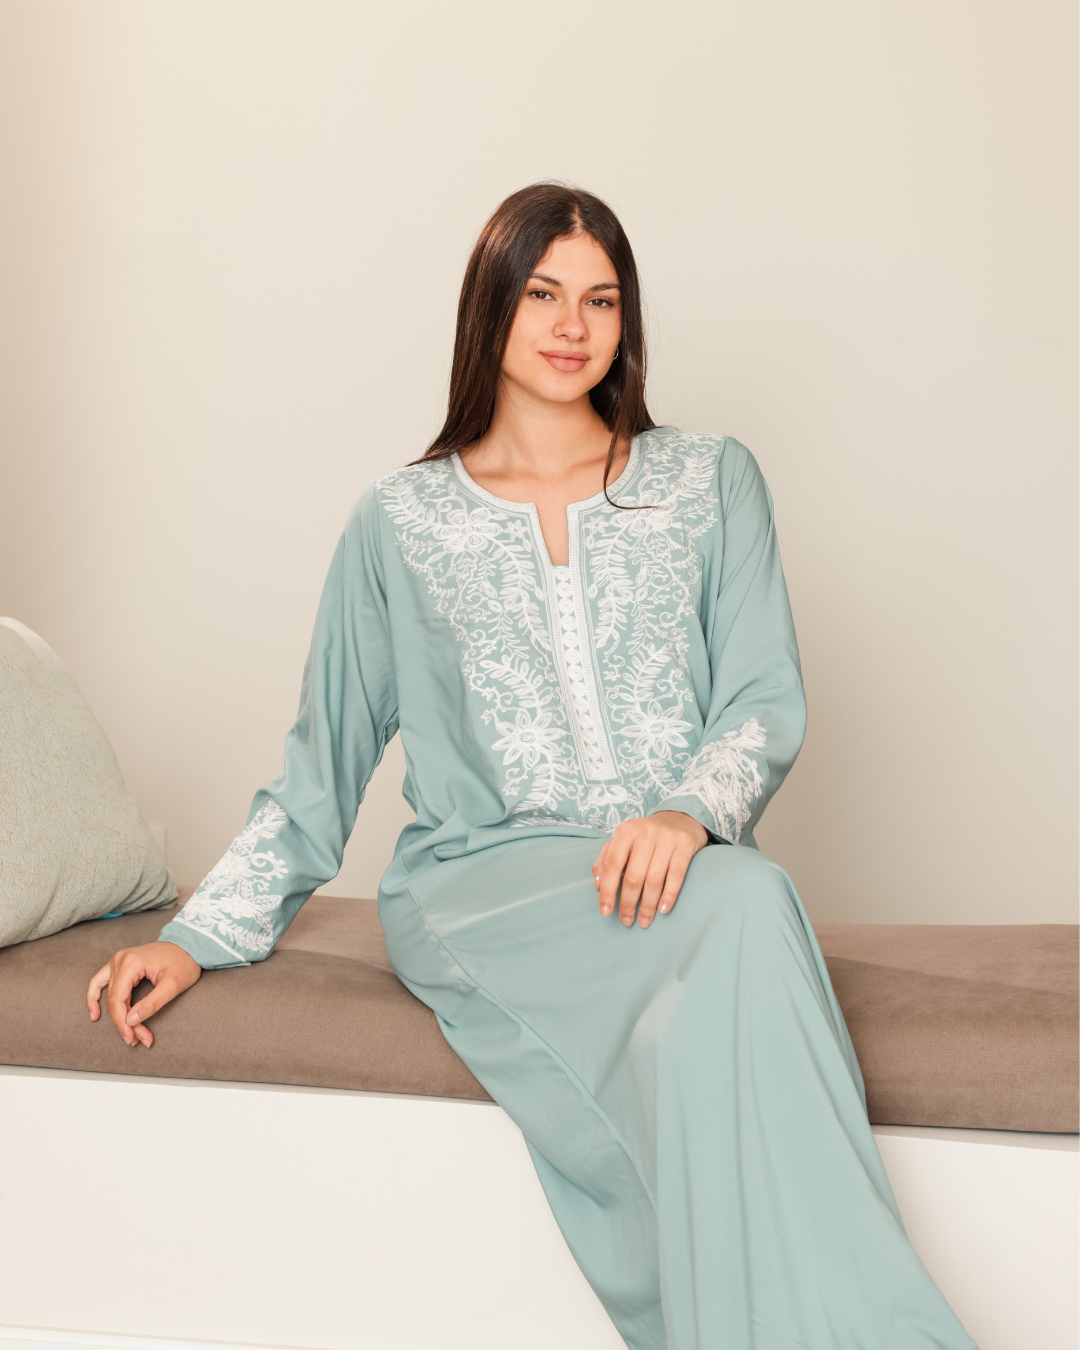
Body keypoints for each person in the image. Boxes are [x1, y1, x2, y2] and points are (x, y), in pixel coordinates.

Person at [87, 184, 977, 1350]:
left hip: (675, 875)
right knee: (750, 907)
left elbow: (763, 698)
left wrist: (687, 815)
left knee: (745, 912)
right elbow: (322, 765)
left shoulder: (711, 480)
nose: (572, 325)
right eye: (544, 294)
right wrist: (197, 934)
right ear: (491, 309)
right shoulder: (400, 522)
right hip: (483, 886)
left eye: (601, 301)